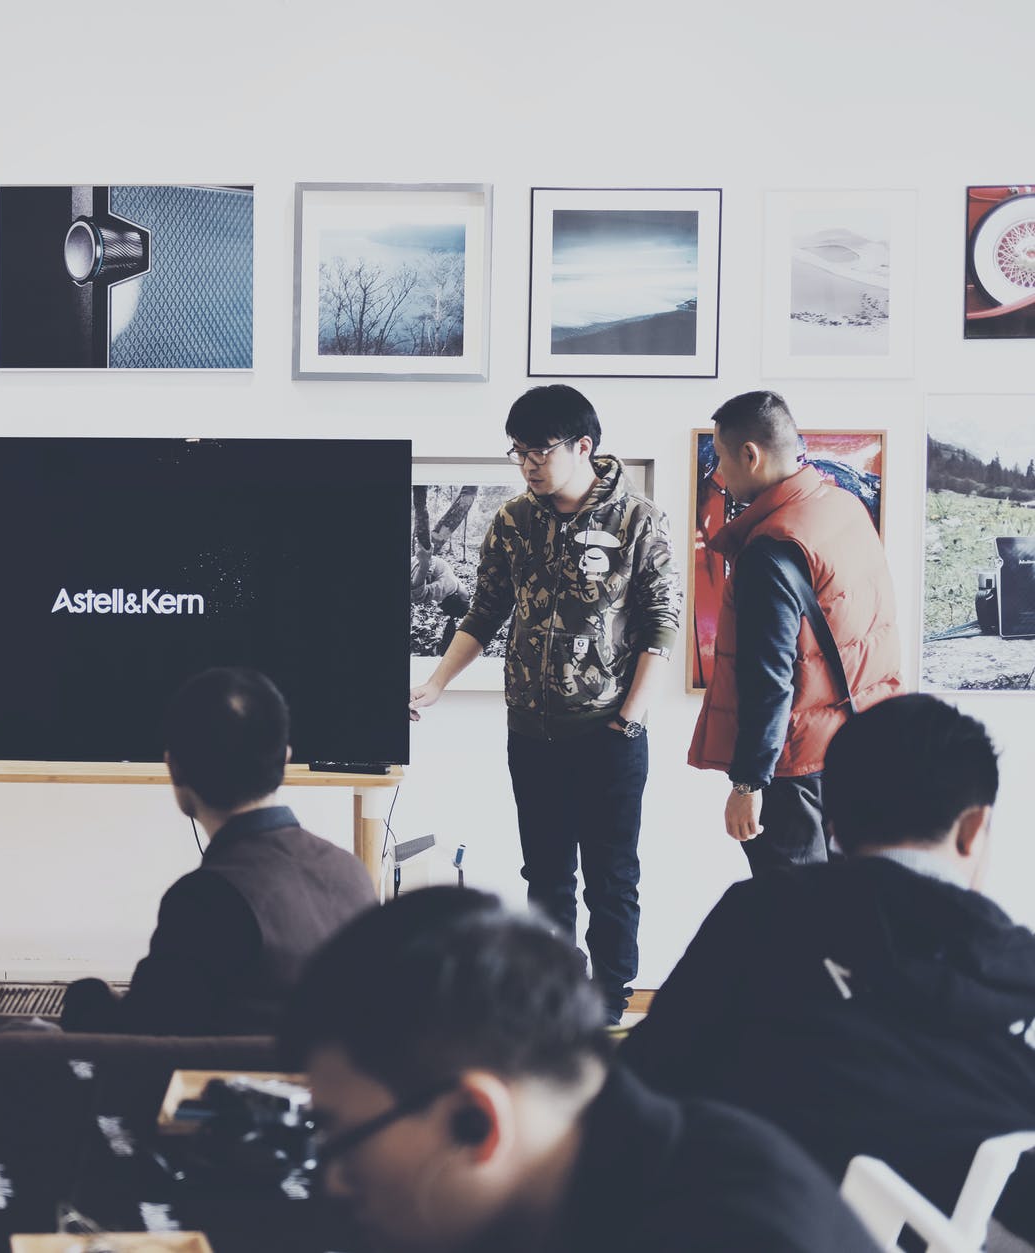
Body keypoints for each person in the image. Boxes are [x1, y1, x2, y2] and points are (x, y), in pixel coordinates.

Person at [628, 694, 1035, 1237]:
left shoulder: (759, 916)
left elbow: (640, 1082)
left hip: (743, 1223)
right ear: (973, 828)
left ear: (834, 821)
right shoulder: (1016, 973)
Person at [284, 887, 880, 1253]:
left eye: (341, 1138)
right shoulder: (598, 1166)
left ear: (475, 1122)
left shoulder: (727, 1232)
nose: (334, 1180)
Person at [409, 385, 680, 1024]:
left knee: (612, 878)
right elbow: (484, 614)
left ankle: (609, 1002)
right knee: (546, 875)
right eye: (519, 452)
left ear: (583, 446)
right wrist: (437, 683)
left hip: (610, 731)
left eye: (539, 451)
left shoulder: (638, 520)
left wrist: (629, 720)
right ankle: (554, 998)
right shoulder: (513, 521)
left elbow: (661, 625)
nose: (528, 464)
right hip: (532, 732)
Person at [61, 668, 376, 1035]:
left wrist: (88, 998)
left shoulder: (205, 899)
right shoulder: (351, 871)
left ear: (174, 768)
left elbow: (143, 1039)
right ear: (285, 759)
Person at [688, 391, 903, 872]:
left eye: (722, 457)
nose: (719, 473)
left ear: (750, 455)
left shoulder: (770, 549)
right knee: (846, 898)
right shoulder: (842, 506)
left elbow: (769, 678)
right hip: (855, 746)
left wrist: (748, 784)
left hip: (797, 766)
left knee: (794, 908)